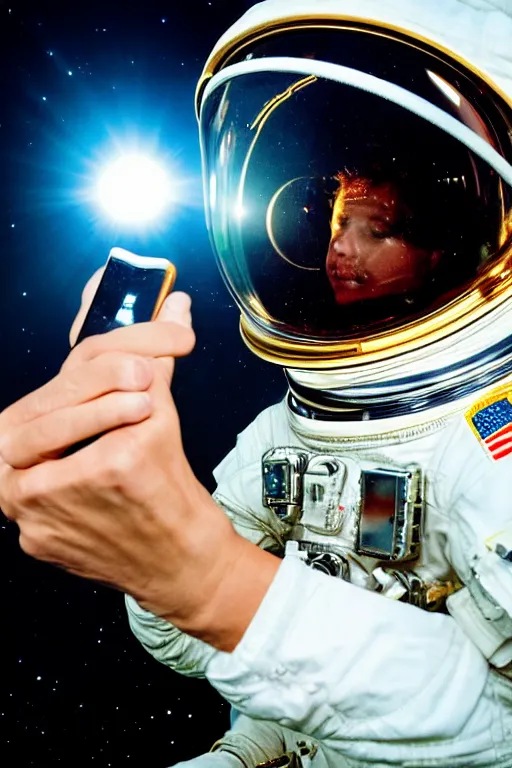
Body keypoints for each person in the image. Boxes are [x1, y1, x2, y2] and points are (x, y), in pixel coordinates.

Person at [2, 1, 512, 767]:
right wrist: (164, 561)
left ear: (445, 252)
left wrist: (212, 581)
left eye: (378, 231)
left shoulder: (484, 453)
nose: (341, 250)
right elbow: (186, 643)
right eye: (339, 224)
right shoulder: (289, 428)